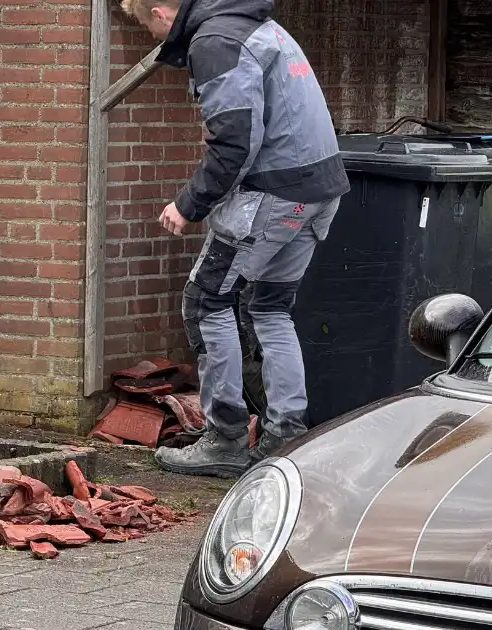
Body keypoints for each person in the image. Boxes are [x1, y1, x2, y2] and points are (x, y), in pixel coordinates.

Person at [121, 0, 350, 477]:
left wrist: (188, 204)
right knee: (269, 306)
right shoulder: (259, 26)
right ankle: (286, 434)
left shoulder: (217, 40)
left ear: (162, 12)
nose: (157, 38)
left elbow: (235, 141)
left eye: (149, 27)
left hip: (275, 194)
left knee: (207, 302)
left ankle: (224, 439)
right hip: (318, 189)